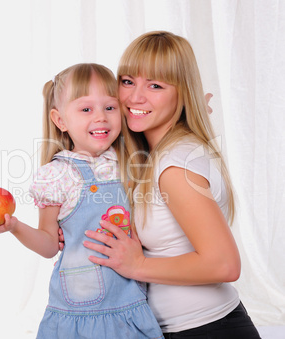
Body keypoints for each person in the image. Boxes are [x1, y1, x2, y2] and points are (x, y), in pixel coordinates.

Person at [82, 32, 261, 338]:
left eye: (156, 85)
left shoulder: (174, 165)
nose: (135, 98)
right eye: (127, 81)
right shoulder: (166, 151)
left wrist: (136, 265)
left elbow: (223, 264)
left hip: (206, 330)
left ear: (182, 94)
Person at [0, 63, 164, 339]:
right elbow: (50, 245)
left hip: (131, 304)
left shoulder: (128, 159)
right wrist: (14, 226)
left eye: (109, 108)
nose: (100, 117)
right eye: (86, 109)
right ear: (60, 119)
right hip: (81, 315)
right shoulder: (57, 175)